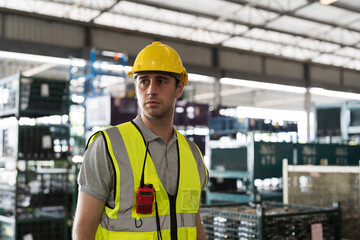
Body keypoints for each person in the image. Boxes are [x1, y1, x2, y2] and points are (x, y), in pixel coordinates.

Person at [72, 41, 209, 240]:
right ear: (136, 86)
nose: (151, 90)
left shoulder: (192, 154)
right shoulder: (107, 146)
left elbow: (194, 224)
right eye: (144, 81)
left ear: (179, 88)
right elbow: (83, 230)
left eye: (161, 81)